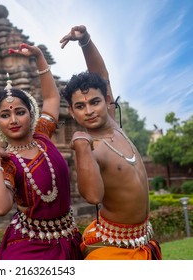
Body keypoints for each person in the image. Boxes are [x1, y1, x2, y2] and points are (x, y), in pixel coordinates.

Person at [60, 25, 162, 260]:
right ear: (72, 113)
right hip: (110, 248)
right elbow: (93, 196)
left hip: (144, 238)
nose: (89, 111)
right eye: (80, 106)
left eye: (94, 102)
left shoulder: (115, 125)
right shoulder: (92, 147)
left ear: (107, 100)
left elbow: (101, 75)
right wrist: (81, 147)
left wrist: (85, 41)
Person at [0, 43, 82, 260]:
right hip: (30, 247)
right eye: (5, 115)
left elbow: (52, 99)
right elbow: (0, 207)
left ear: (31, 114)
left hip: (69, 239)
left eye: (20, 112)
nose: (13, 120)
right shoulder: (8, 161)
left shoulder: (43, 136)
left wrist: (39, 57)